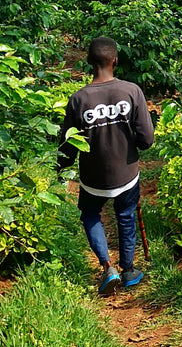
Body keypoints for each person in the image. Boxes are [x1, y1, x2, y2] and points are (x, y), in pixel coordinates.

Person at [57, 36, 155, 294]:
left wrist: (60, 169)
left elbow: (67, 145)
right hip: (126, 173)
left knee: (90, 214)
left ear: (89, 62)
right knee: (125, 216)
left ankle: (107, 267)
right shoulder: (132, 91)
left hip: (93, 176)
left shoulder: (78, 99)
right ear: (115, 60)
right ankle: (129, 270)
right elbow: (146, 140)